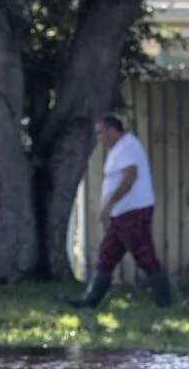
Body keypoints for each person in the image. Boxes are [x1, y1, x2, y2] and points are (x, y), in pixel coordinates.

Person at [69, 113, 173, 308]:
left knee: (144, 255)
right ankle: (90, 301)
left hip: (132, 211)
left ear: (112, 130)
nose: (98, 138)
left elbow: (130, 176)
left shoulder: (127, 147)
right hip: (122, 214)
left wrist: (109, 204)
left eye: (101, 133)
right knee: (107, 255)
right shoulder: (121, 148)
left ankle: (165, 302)